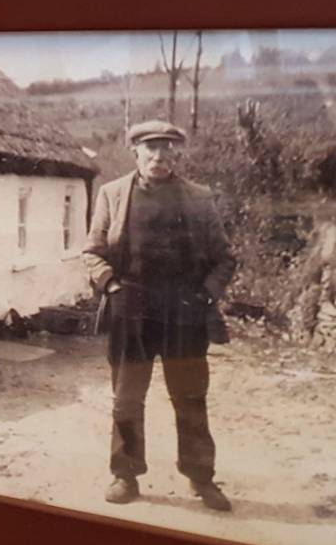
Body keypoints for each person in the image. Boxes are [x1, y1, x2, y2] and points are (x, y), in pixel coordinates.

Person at [81, 120, 235, 512]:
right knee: (127, 399)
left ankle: (202, 478)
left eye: (166, 149)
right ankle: (125, 474)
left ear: (176, 154)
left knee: (190, 397)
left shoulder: (199, 198)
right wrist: (111, 286)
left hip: (184, 312)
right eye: (150, 148)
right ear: (136, 152)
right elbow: (92, 252)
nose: (158, 156)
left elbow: (224, 258)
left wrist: (205, 296)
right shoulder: (113, 194)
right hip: (131, 310)